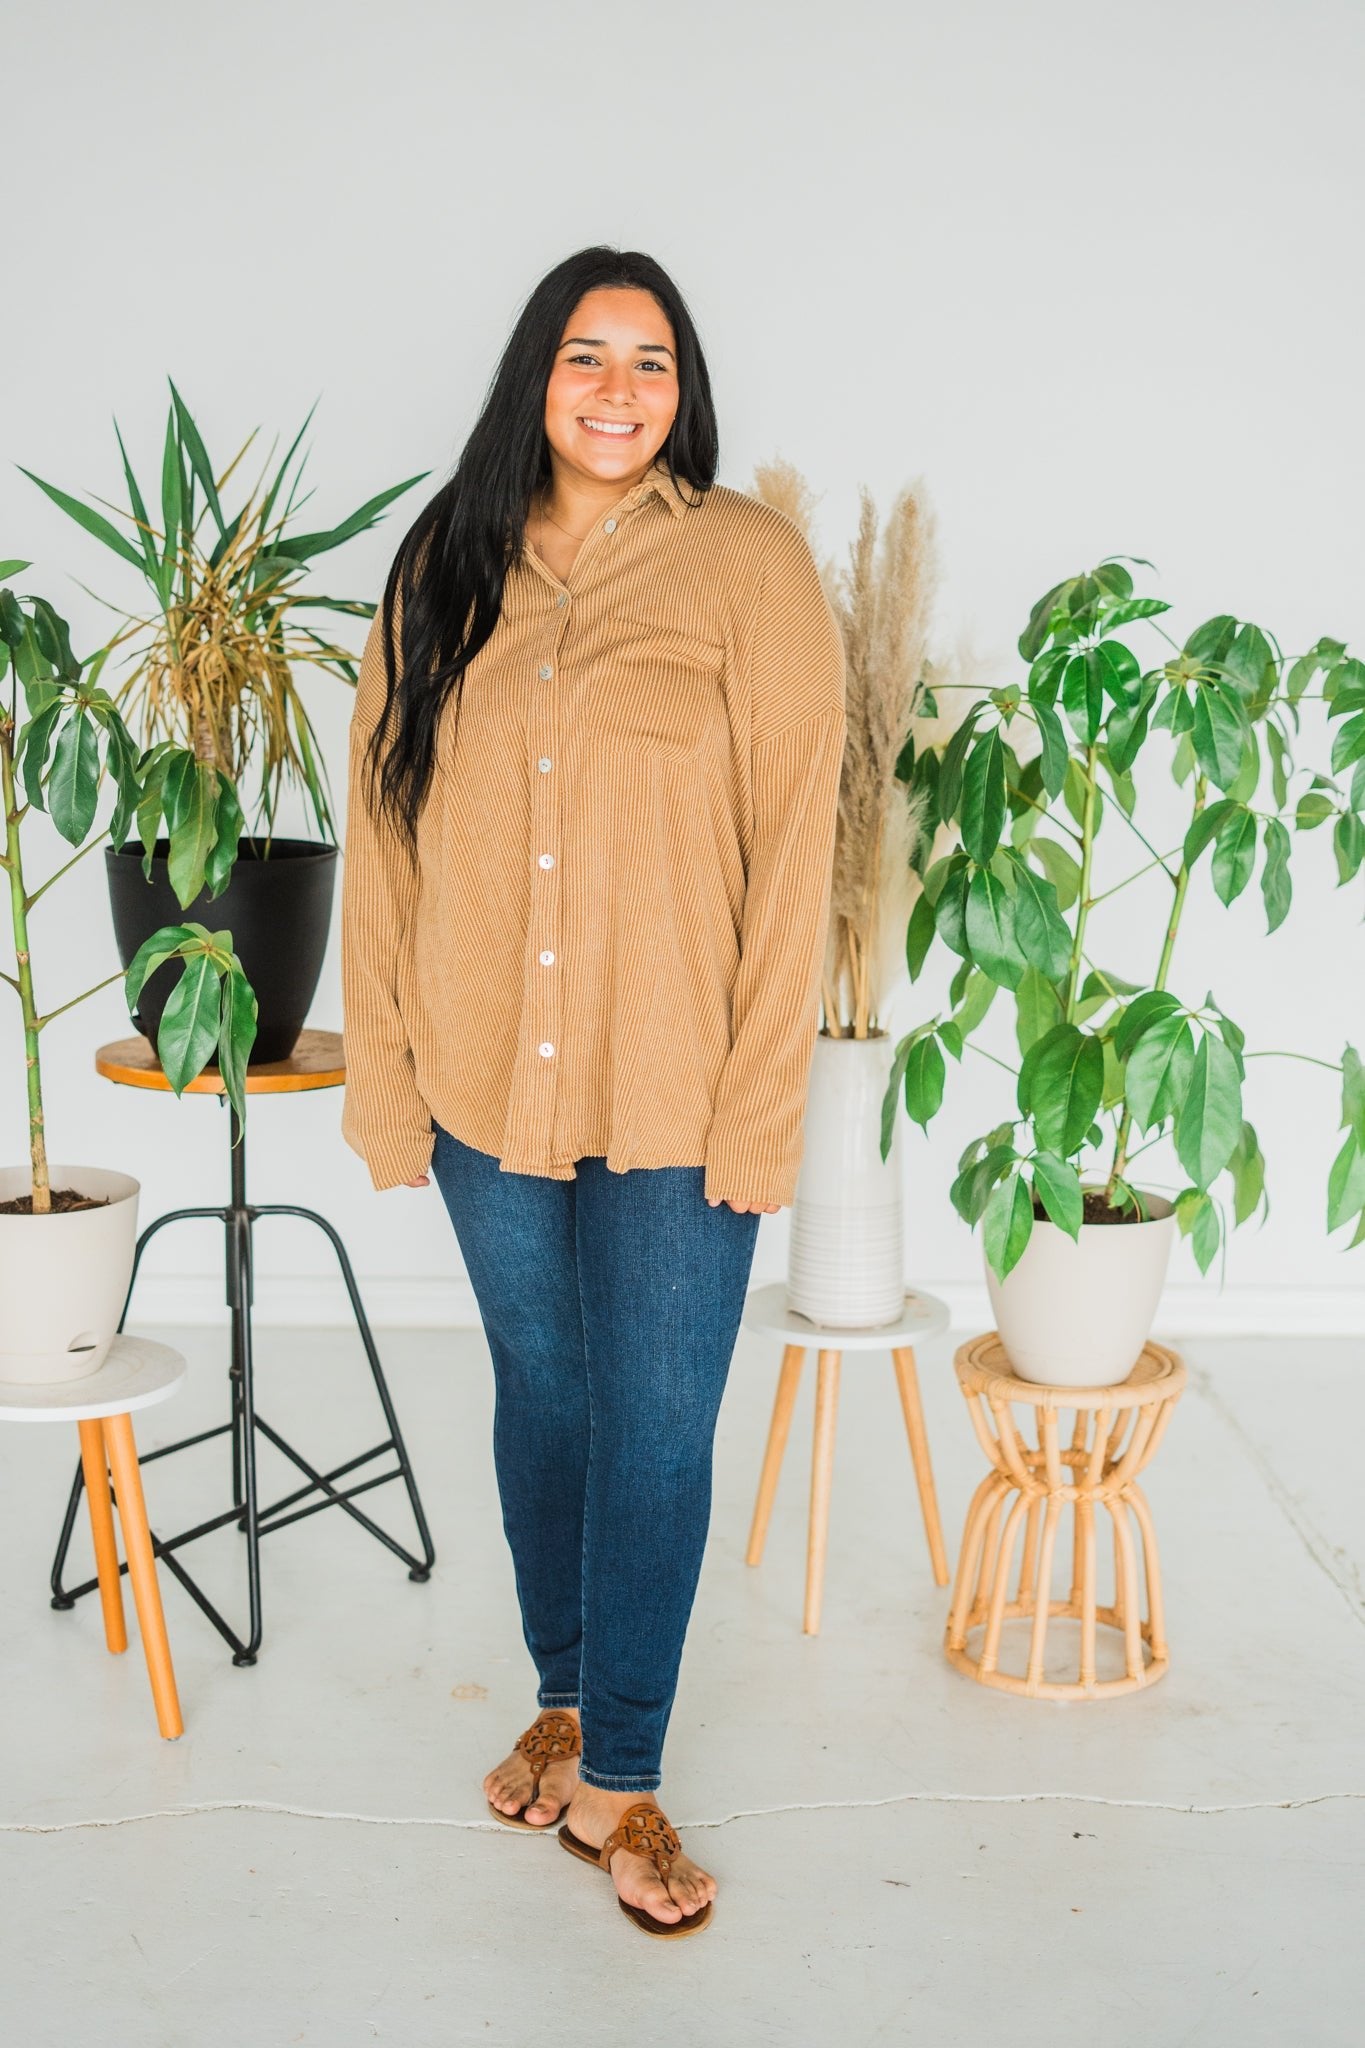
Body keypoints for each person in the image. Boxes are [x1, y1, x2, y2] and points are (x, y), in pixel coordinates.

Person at [340, 245, 846, 1939]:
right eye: (584, 356)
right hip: (482, 1077)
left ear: (681, 389)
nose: (616, 391)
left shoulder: (749, 566)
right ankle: (560, 1698)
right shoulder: (445, 560)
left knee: (657, 1423)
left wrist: (764, 1106)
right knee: (547, 1397)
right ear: (534, 378)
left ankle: (621, 1774)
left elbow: (795, 855)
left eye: (649, 362)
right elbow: (382, 835)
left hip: (680, 1086)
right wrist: (386, 1079)